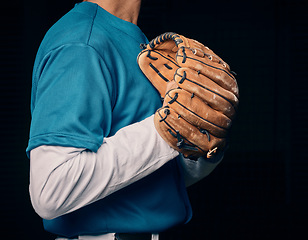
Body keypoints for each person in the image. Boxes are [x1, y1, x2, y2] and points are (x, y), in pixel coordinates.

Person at [26, 0, 224, 240]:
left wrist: (201, 139)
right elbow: (51, 190)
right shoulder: (81, 43)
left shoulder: (138, 41)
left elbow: (156, 180)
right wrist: (165, 129)